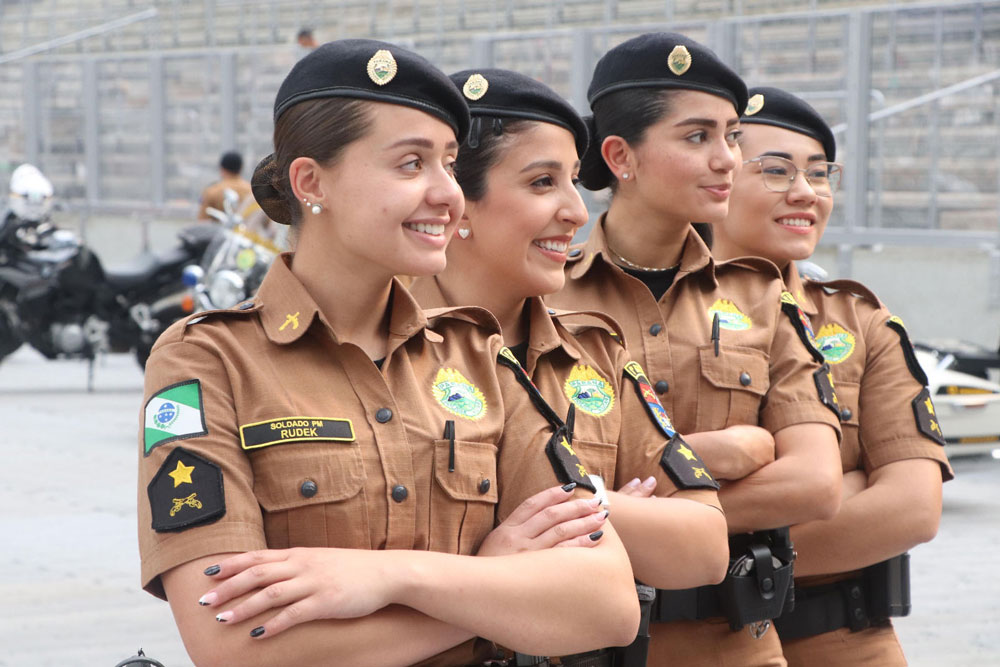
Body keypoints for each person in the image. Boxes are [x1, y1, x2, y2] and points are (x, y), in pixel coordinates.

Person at [137, 39, 640, 666]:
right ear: (311, 181)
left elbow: (606, 602)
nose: (446, 193)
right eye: (410, 165)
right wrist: (492, 588)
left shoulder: (476, 351)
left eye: (450, 165)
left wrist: (396, 578)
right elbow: (236, 644)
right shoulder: (209, 361)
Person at [410, 67, 758, 662]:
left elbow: (703, 546)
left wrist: (575, 495)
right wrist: (614, 510)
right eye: (543, 182)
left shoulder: (593, 352)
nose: (575, 211)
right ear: (457, 203)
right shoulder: (382, 355)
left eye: (574, 181)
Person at [546, 32, 844, 666]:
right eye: (697, 137)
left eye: (732, 136)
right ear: (621, 157)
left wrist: (629, 502)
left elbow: (816, 484)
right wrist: (712, 456)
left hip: (736, 643)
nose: (728, 159)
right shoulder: (543, 294)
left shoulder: (761, 297)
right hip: (587, 644)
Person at [710, 86, 954, 666]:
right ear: (716, 180)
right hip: (698, 643)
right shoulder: (649, 318)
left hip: (845, 639)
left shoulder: (862, 322)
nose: (805, 193)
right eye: (775, 171)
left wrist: (688, 542)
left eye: (819, 175)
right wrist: (836, 492)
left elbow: (911, 508)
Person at [197, 151, 253, 222]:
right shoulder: (251, 191)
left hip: (218, 232)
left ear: (222, 168)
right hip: (246, 232)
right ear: (241, 168)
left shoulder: (212, 191)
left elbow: (202, 221)